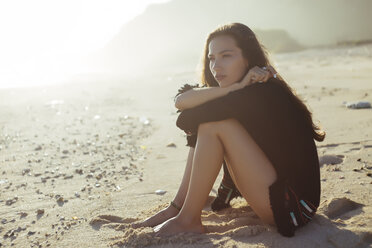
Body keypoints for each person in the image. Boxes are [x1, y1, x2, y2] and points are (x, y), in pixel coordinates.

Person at [133, 23, 325, 238]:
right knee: (208, 122)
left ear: (248, 58)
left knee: (213, 124)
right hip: (273, 190)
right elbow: (182, 102)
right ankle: (178, 209)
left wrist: (236, 89)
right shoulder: (242, 90)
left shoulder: (262, 91)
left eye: (226, 56)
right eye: (212, 58)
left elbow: (187, 118)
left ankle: (187, 219)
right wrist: (236, 87)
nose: (216, 66)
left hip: (294, 207)